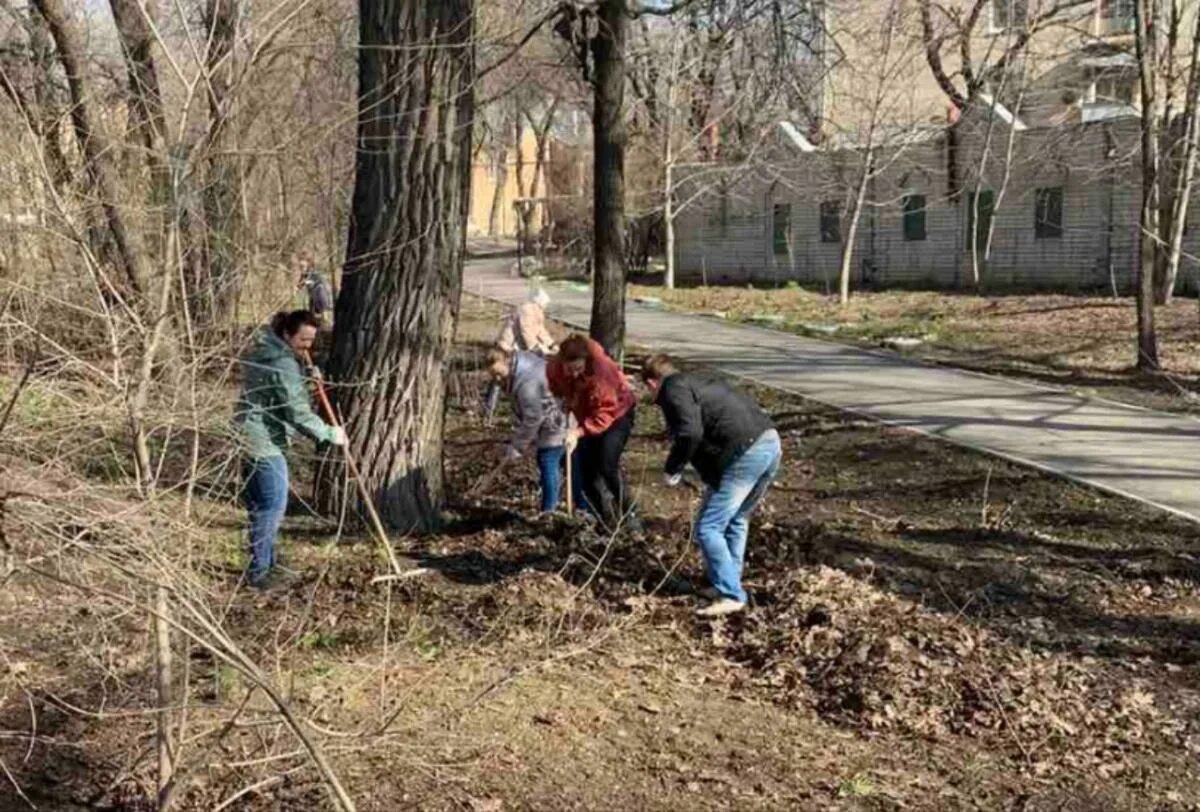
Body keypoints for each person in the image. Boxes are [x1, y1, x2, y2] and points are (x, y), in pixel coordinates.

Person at [641, 354, 781, 618]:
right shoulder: (697, 380)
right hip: (769, 441)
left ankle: (731, 594)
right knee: (737, 519)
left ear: (651, 383)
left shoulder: (673, 389)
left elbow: (690, 432)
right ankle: (727, 583)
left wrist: (673, 468)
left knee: (709, 527)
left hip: (745, 451)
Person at [233, 310, 346, 589]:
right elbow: (296, 411)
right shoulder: (282, 363)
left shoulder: (266, 350)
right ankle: (260, 573)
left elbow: (278, 392)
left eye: (311, 341)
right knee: (272, 506)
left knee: (261, 505)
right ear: (287, 334)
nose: (307, 346)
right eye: (303, 340)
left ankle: (266, 563)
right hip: (262, 441)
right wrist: (331, 433)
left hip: (247, 434)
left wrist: (305, 376)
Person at [547, 334, 640, 533]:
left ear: (586, 362)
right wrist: (562, 400)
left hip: (617, 415)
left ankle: (630, 514)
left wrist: (578, 432)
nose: (573, 374)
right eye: (569, 369)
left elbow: (604, 413)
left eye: (578, 369)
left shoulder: (602, 373)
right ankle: (603, 522)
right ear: (561, 361)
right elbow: (555, 386)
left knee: (607, 464)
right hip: (587, 415)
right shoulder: (554, 367)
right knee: (588, 473)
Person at [485, 346, 584, 513]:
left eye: (498, 374)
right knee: (569, 465)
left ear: (507, 361)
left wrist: (517, 446)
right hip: (562, 418)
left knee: (548, 461)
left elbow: (533, 418)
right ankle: (583, 507)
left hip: (555, 423)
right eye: (492, 375)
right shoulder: (524, 364)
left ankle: (549, 512)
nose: (496, 379)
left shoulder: (527, 382)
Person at [484, 288, 558, 418]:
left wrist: (551, 344)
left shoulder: (536, 311)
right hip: (507, 347)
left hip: (515, 349)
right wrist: (536, 349)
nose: (545, 306)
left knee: (507, 378)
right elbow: (526, 331)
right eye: (545, 303)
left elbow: (540, 330)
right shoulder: (527, 309)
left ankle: (498, 409)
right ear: (540, 301)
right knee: (499, 378)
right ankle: (489, 409)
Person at [296, 252, 334, 328]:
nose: (301, 269)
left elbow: (320, 281)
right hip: (312, 297)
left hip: (320, 295)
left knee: (323, 312)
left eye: (303, 267)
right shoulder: (304, 275)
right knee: (312, 315)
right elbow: (299, 285)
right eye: (300, 267)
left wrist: (307, 282)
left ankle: (326, 325)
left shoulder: (314, 273)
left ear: (307, 265)